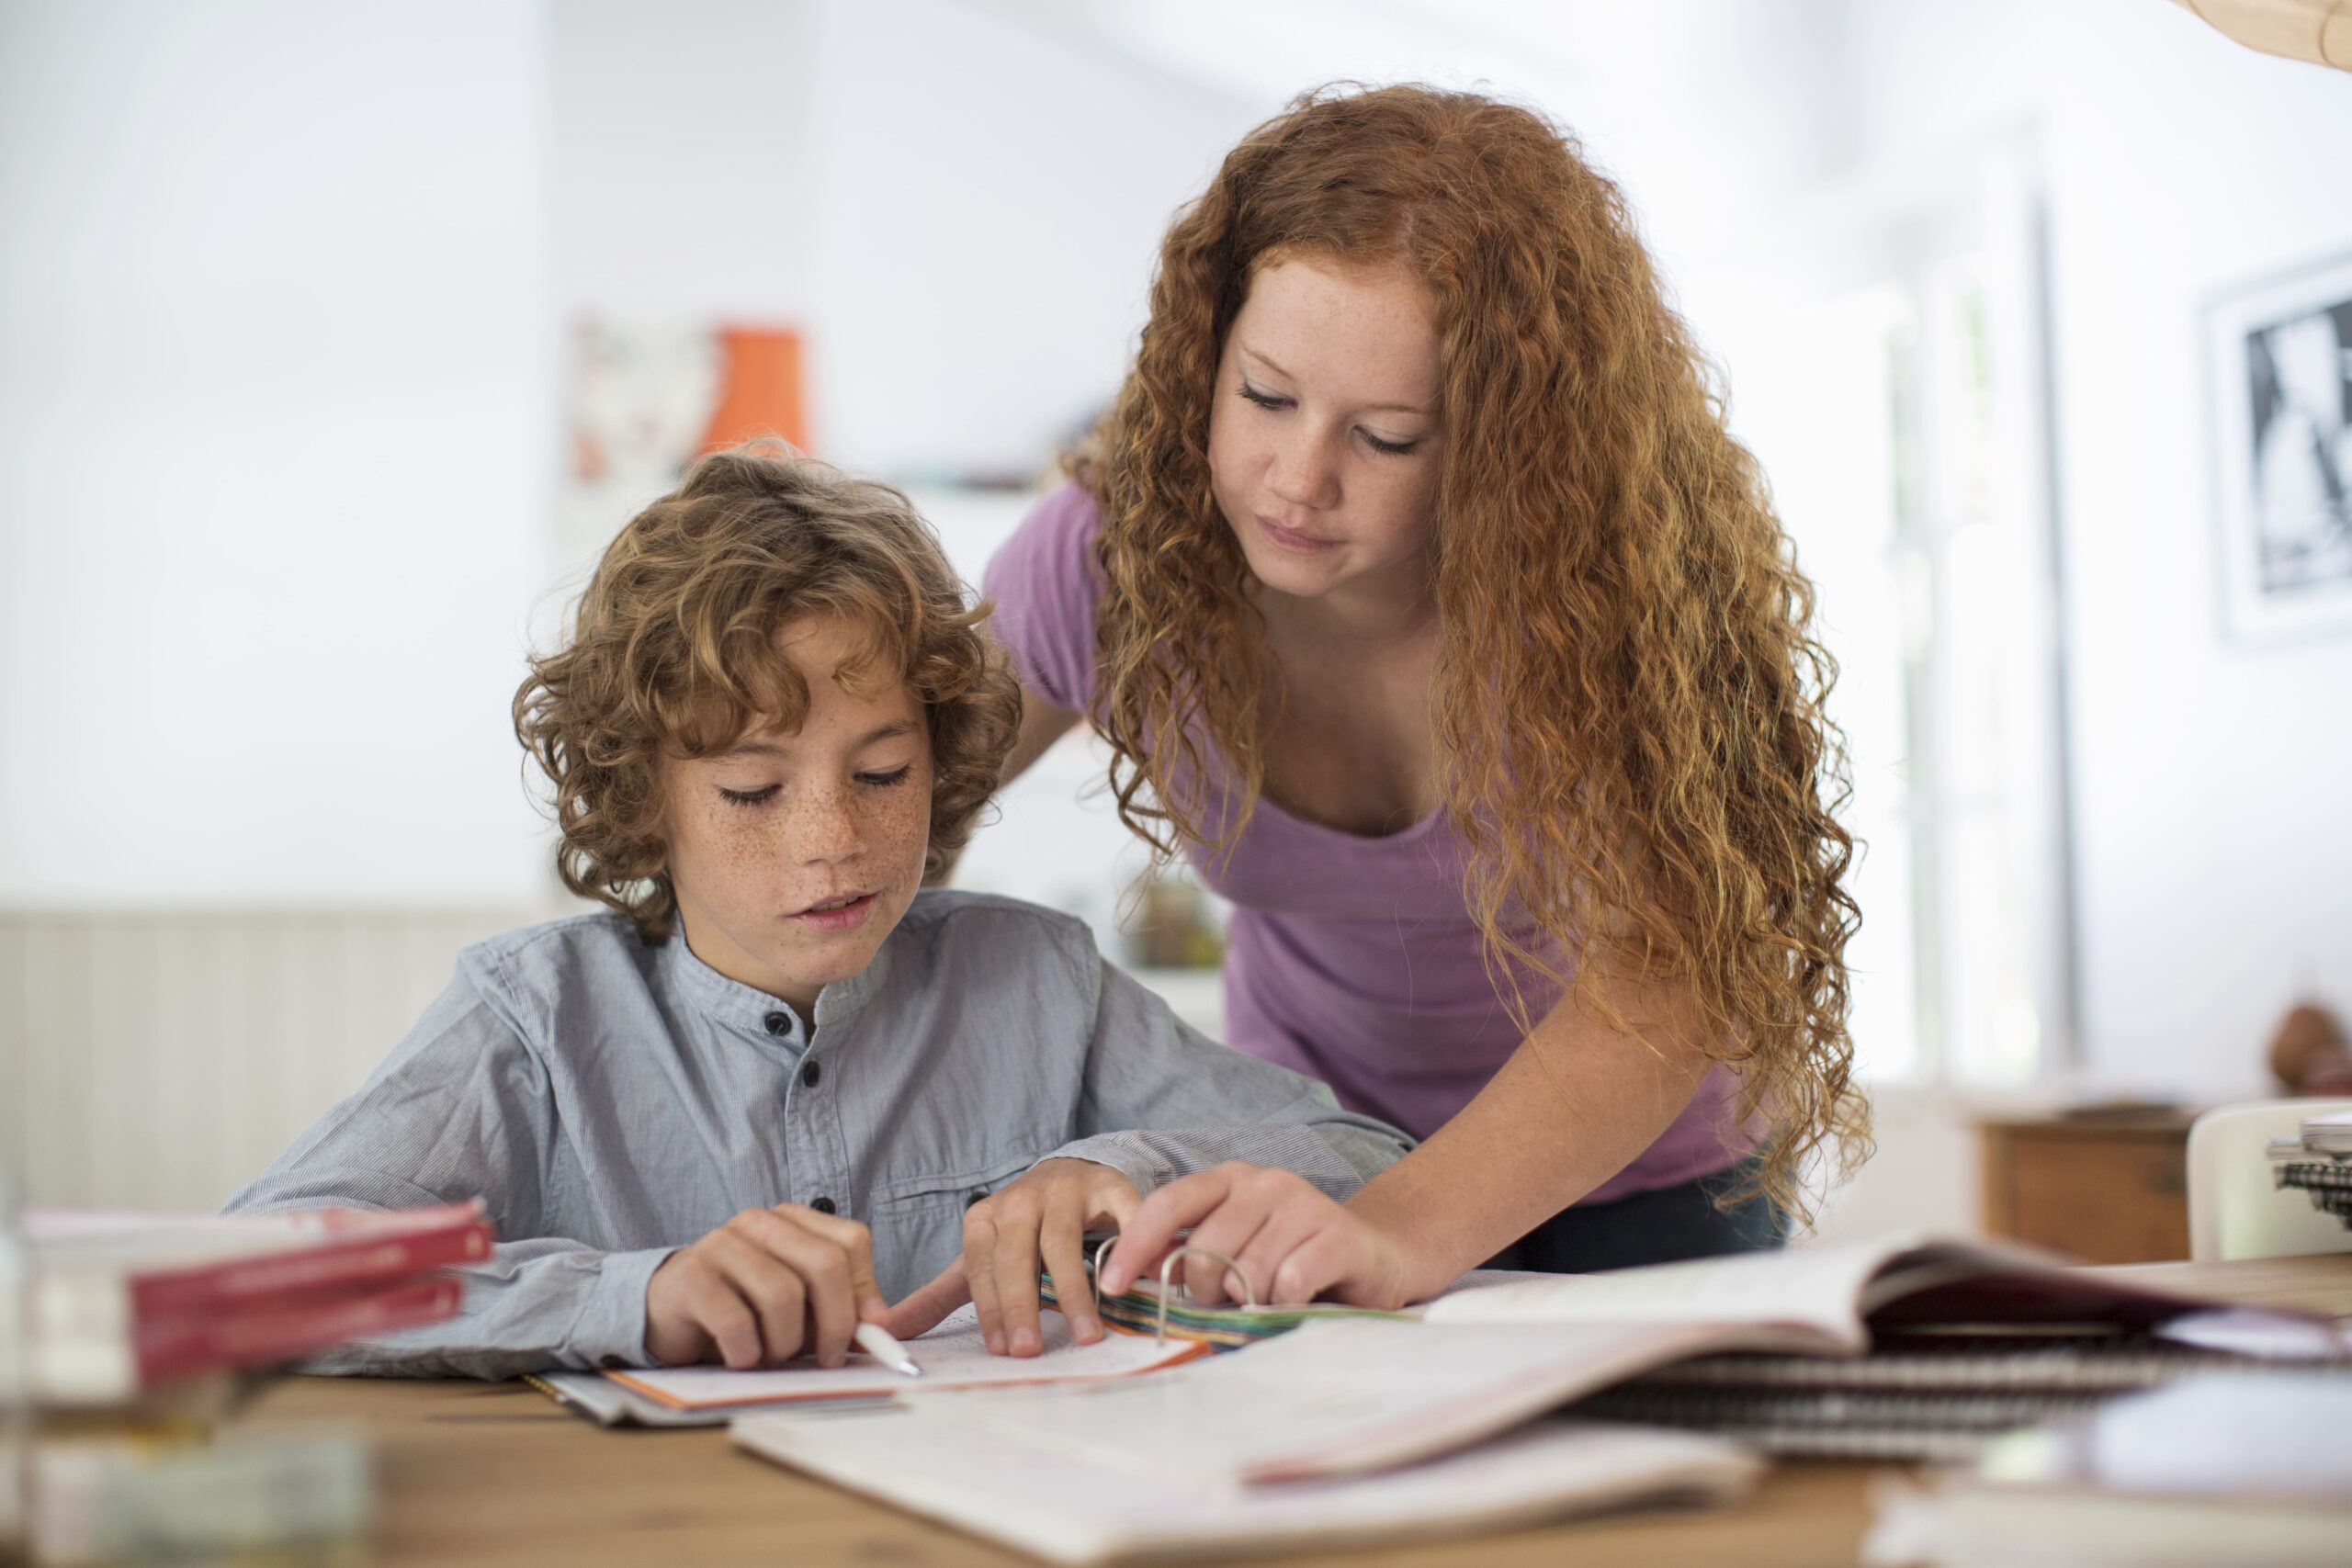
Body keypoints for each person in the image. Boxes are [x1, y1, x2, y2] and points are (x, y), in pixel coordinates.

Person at [226, 446, 1411, 1378]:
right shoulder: (536, 1016)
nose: (832, 841)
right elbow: (243, 1275)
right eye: (751, 789)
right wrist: (629, 1295)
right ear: (646, 799)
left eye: (884, 774)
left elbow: (1372, 1164)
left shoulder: (1040, 982)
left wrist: (1132, 1161)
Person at [975, 84, 1869, 1316]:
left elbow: (1664, 982)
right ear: (1205, 355)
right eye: (1267, 396)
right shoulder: (1107, 561)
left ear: (1508, 446)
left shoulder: (1612, 606)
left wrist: (1400, 1232)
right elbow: (876, 791)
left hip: (1647, 1183)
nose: (1299, 480)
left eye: (1388, 437)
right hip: (1312, 1149)